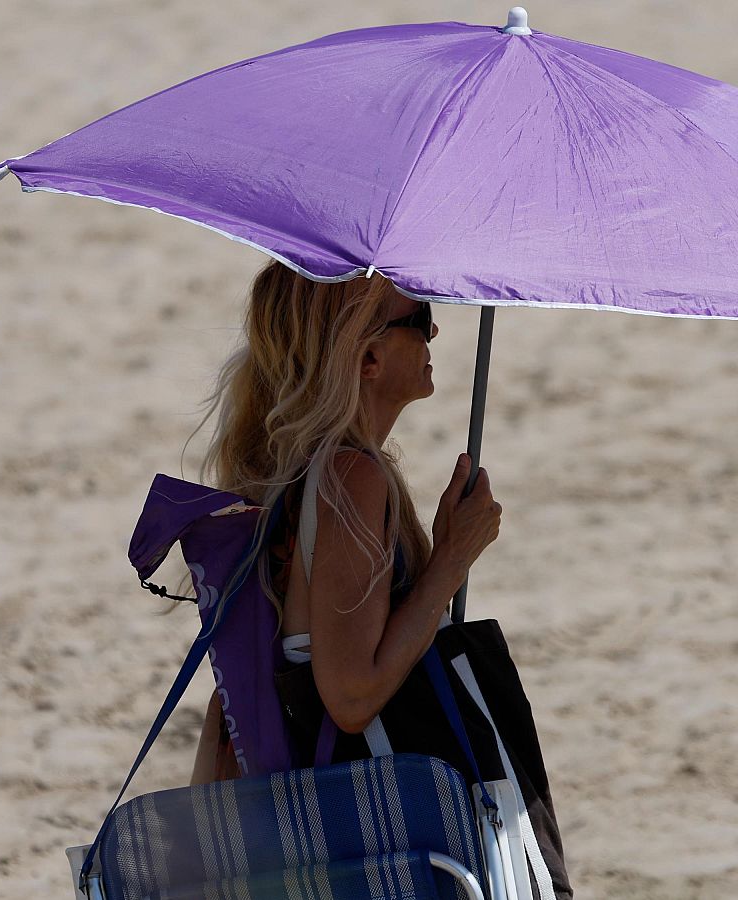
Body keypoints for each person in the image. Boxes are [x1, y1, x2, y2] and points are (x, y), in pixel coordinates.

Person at [180, 262, 572, 899]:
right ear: (367, 358)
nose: (436, 331)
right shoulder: (349, 480)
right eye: (416, 319)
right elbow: (353, 695)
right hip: (370, 824)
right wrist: (451, 558)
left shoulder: (296, 477)